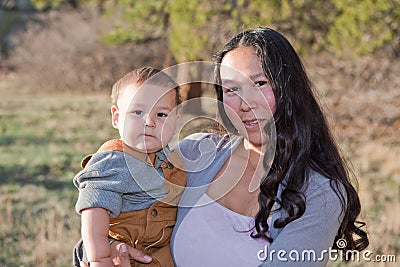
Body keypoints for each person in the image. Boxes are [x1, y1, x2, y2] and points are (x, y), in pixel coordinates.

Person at [92, 27, 369, 267]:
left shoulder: (321, 193)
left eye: (259, 83)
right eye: (232, 89)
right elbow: (114, 212)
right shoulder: (195, 153)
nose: (245, 103)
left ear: (288, 88)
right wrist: (113, 249)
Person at [73, 67, 187, 267]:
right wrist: (100, 258)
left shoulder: (172, 159)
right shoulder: (113, 160)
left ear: (175, 122)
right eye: (137, 112)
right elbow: (93, 211)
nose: (149, 122)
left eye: (161, 114)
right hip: (120, 257)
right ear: (117, 117)